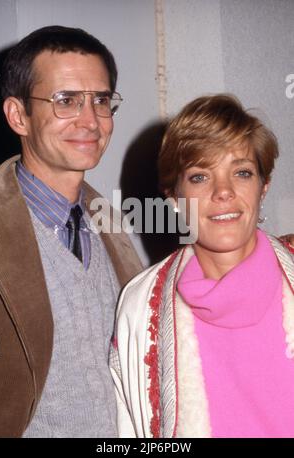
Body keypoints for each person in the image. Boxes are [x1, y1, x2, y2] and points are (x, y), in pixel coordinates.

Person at [110, 94, 294, 438]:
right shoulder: (138, 307)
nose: (223, 191)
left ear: (263, 187)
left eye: (241, 172)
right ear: (174, 198)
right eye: (199, 177)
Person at [0, 25, 142, 438]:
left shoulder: (112, 227)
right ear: (18, 115)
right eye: (66, 101)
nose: (91, 120)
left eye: (101, 100)